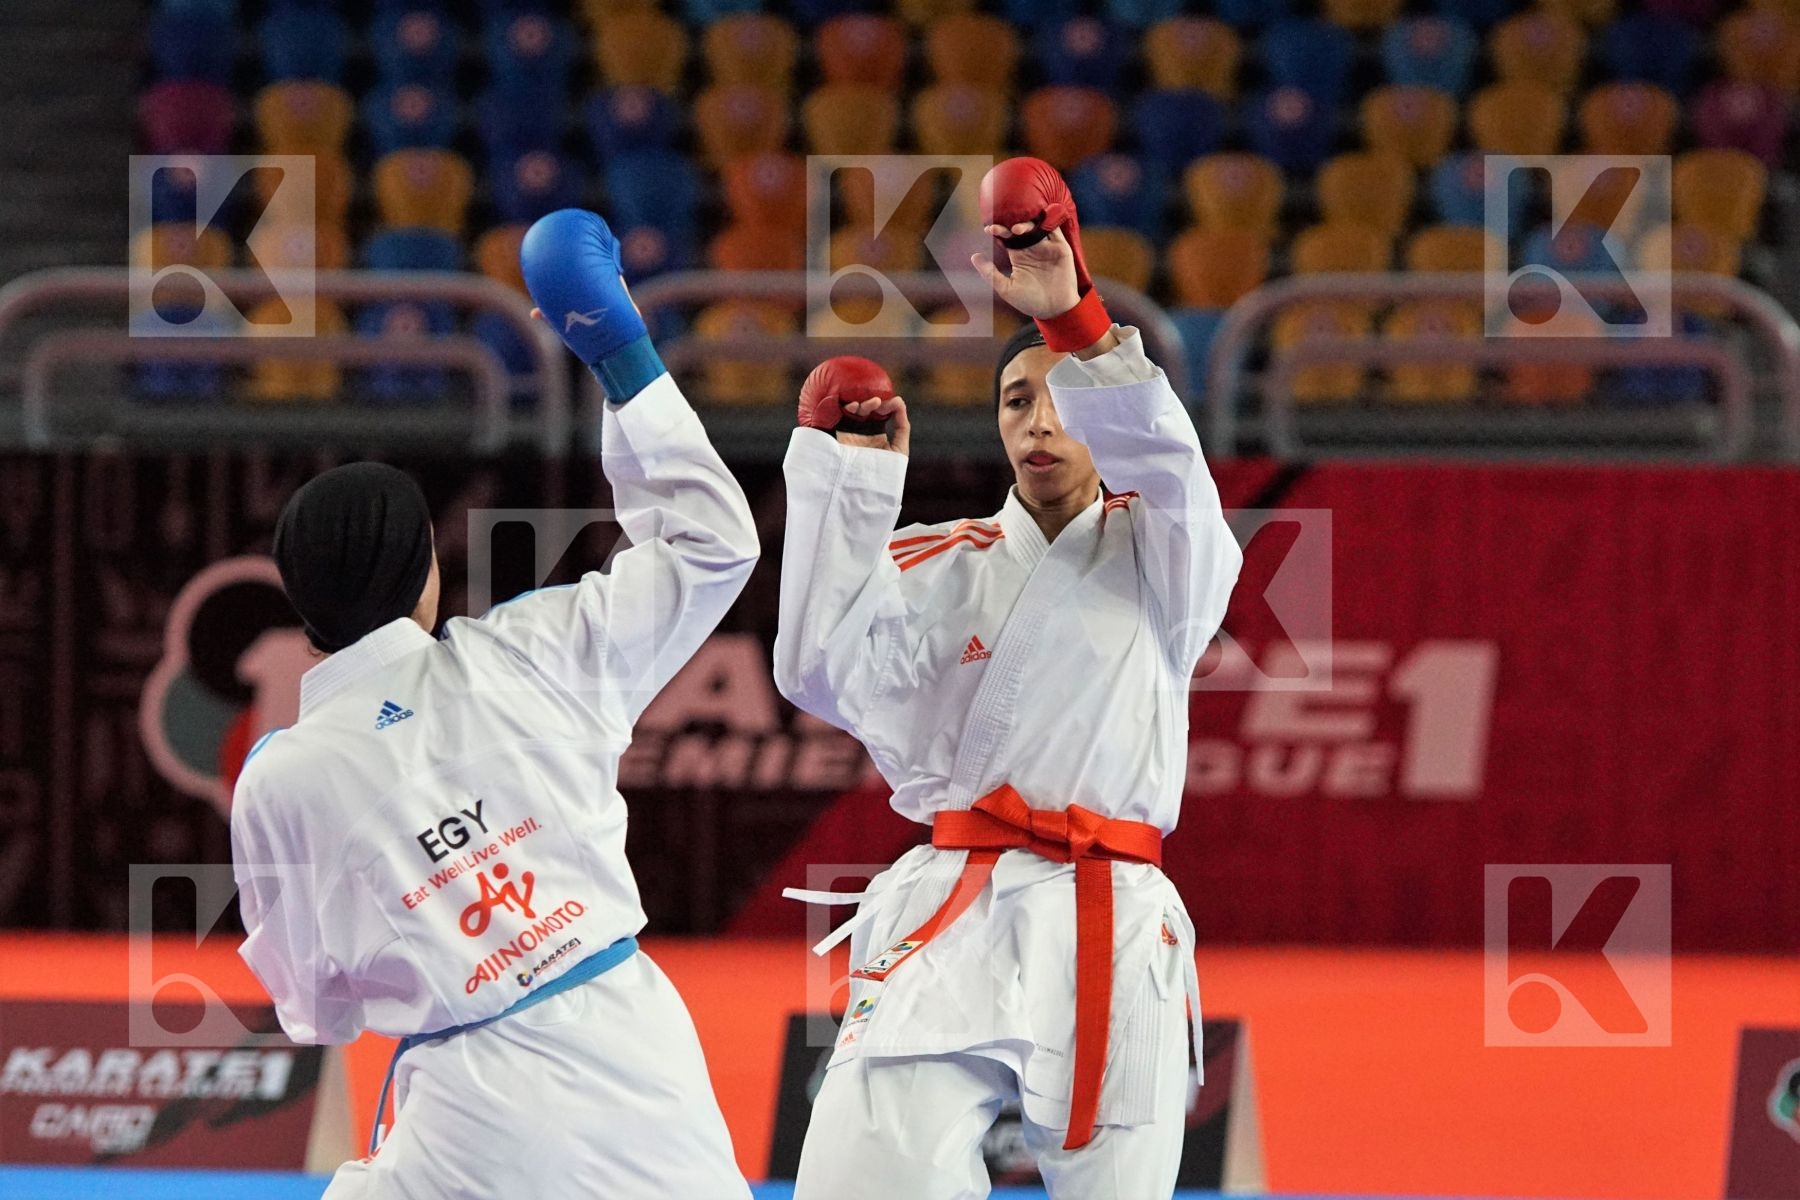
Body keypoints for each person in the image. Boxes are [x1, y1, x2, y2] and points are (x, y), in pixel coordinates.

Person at [230, 209, 757, 1200]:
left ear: (302, 610)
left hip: (466, 1115)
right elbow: (709, 548)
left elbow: (310, 1008)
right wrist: (620, 356)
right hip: (635, 1056)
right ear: (424, 574)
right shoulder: (529, 653)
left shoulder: (283, 775)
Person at [774, 158, 1244, 1199]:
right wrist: (846, 491)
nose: (1040, 422)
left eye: (1062, 401)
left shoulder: (1161, 553)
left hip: (1112, 913)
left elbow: (1168, 470)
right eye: (1016, 401)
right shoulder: (934, 559)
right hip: (954, 903)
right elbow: (817, 670)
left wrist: (1074, 319)